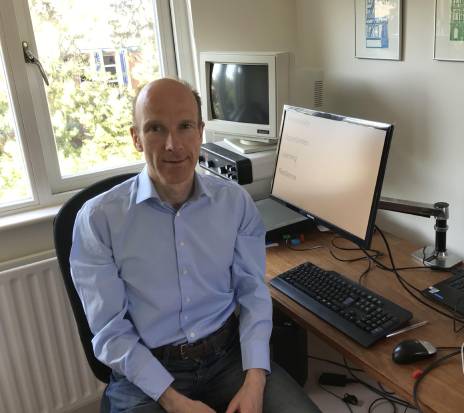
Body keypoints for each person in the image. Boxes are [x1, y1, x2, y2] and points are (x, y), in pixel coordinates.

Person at [70, 78, 320, 413]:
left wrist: (255, 380)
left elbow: (252, 293)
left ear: (201, 131)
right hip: (147, 372)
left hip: (228, 358)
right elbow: (110, 331)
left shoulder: (235, 203)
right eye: (156, 128)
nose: (173, 144)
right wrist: (172, 400)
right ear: (136, 138)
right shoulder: (99, 219)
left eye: (185, 126)